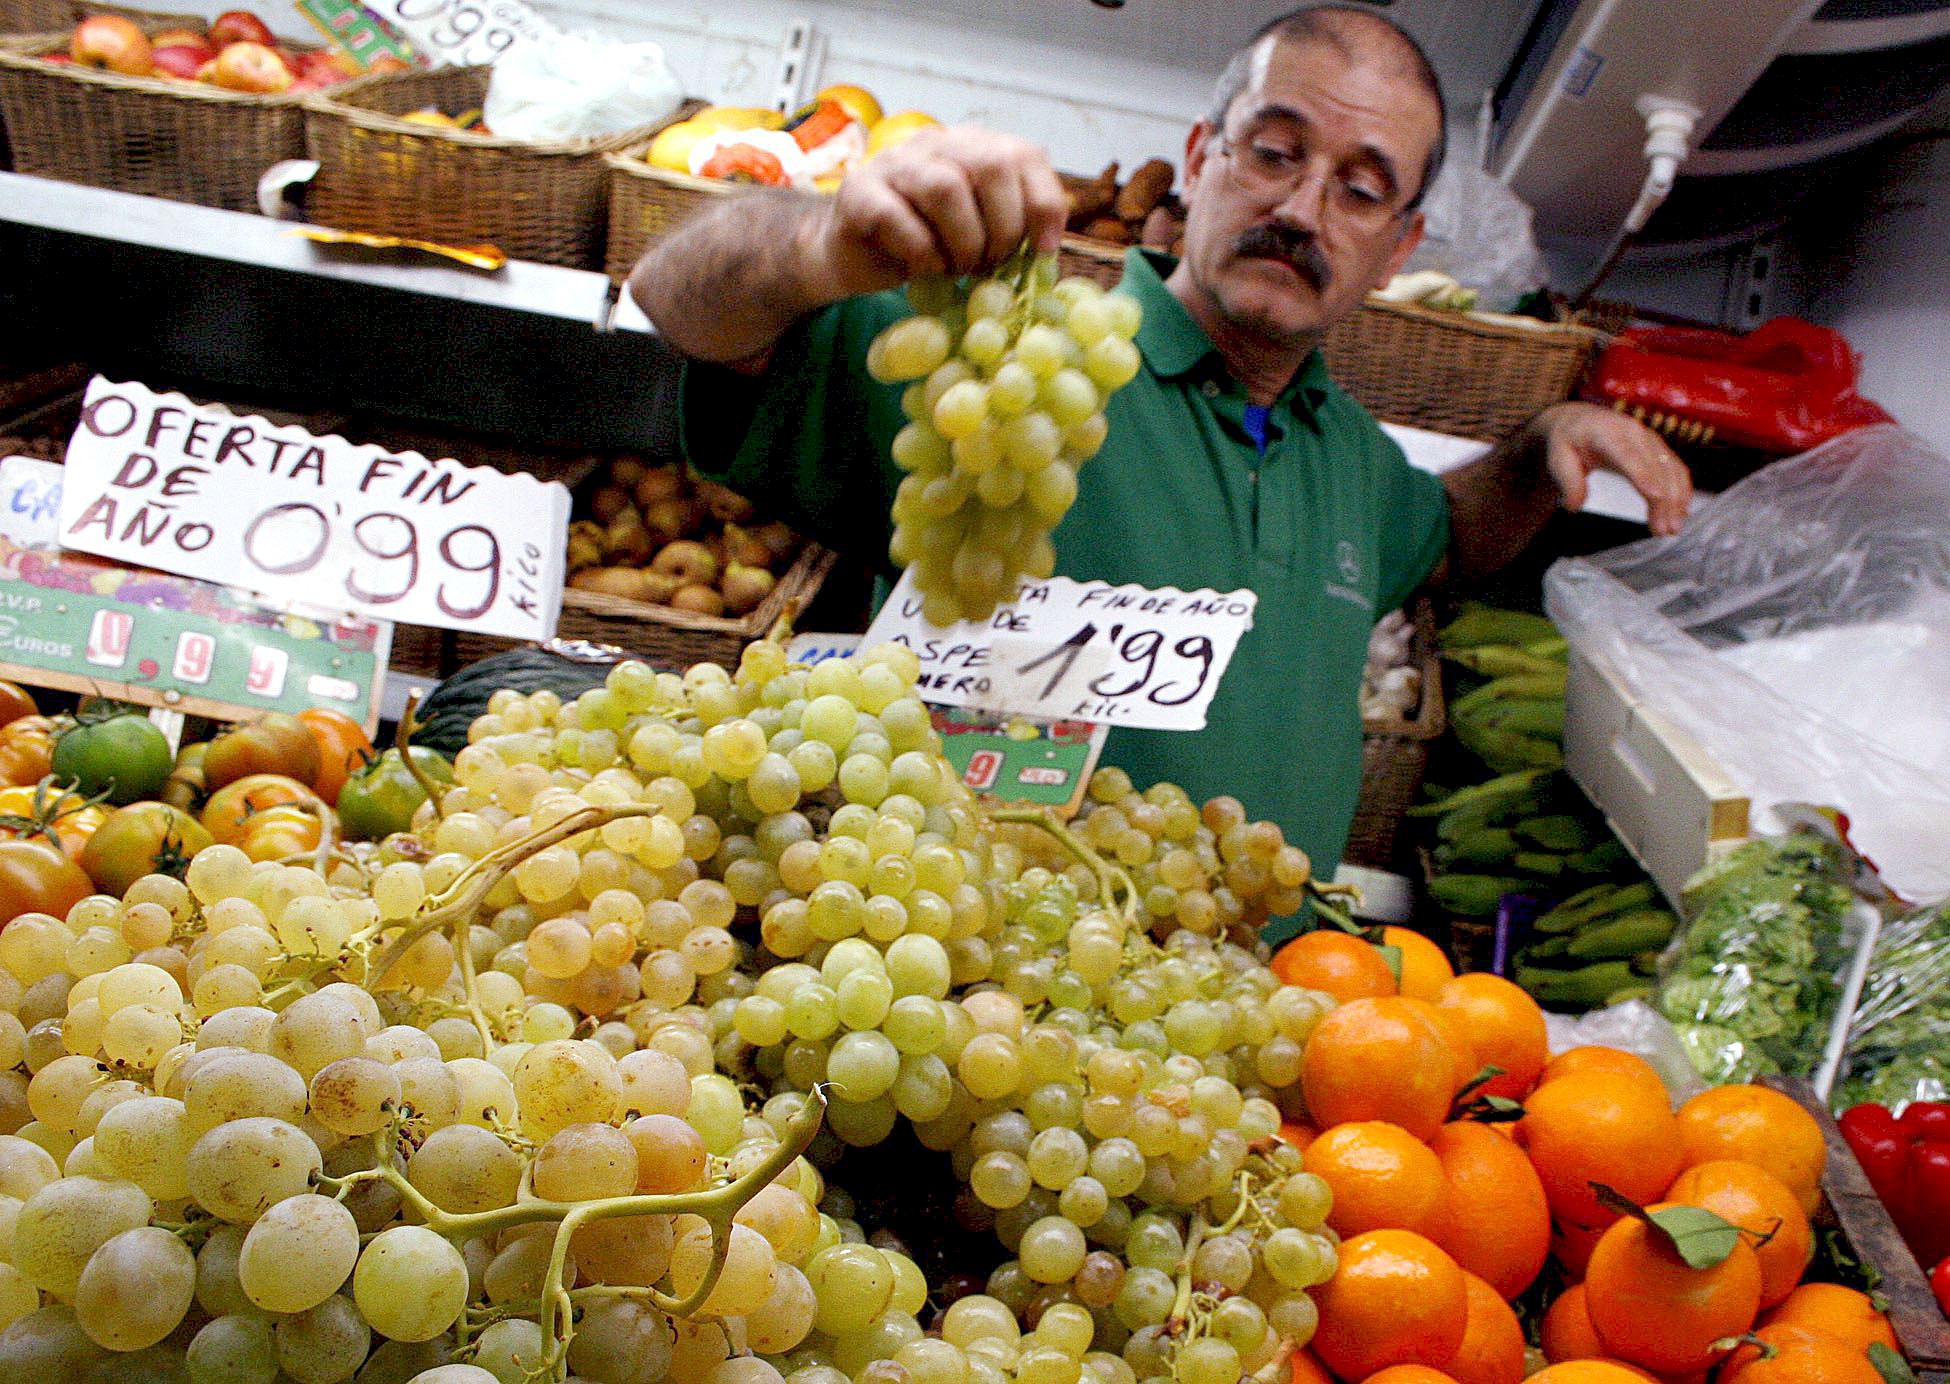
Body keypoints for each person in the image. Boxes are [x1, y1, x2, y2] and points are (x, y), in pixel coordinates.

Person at [630, 4, 1692, 925]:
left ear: (1402, 245)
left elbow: (1447, 539)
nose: (1302, 209)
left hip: (1236, 1040)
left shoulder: (1356, 460)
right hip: (983, 1029)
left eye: (1362, 189)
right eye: (1275, 151)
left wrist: (1540, 448)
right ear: (1199, 158)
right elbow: (677, 297)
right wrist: (819, 244)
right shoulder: (1005, 371)